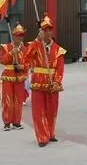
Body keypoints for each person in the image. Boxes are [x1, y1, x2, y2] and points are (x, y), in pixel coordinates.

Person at [26, 13, 66, 147]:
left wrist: (57, 81)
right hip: (38, 81)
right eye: (44, 30)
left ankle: (50, 132)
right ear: (41, 32)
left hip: (52, 82)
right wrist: (36, 41)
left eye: (49, 30)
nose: (47, 32)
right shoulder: (34, 45)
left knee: (52, 110)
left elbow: (60, 68)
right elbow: (26, 58)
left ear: (52, 31)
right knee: (38, 111)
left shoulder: (58, 50)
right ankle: (42, 136)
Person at [0, 24, 29, 131]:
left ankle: (16, 122)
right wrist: (11, 53)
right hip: (8, 76)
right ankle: (7, 122)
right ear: (13, 36)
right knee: (7, 100)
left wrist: (22, 66)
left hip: (19, 77)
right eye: (17, 35)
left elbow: (29, 63)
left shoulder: (25, 49)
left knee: (18, 101)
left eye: (21, 36)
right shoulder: (5, 47)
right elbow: (2, 60)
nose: (19, 38)